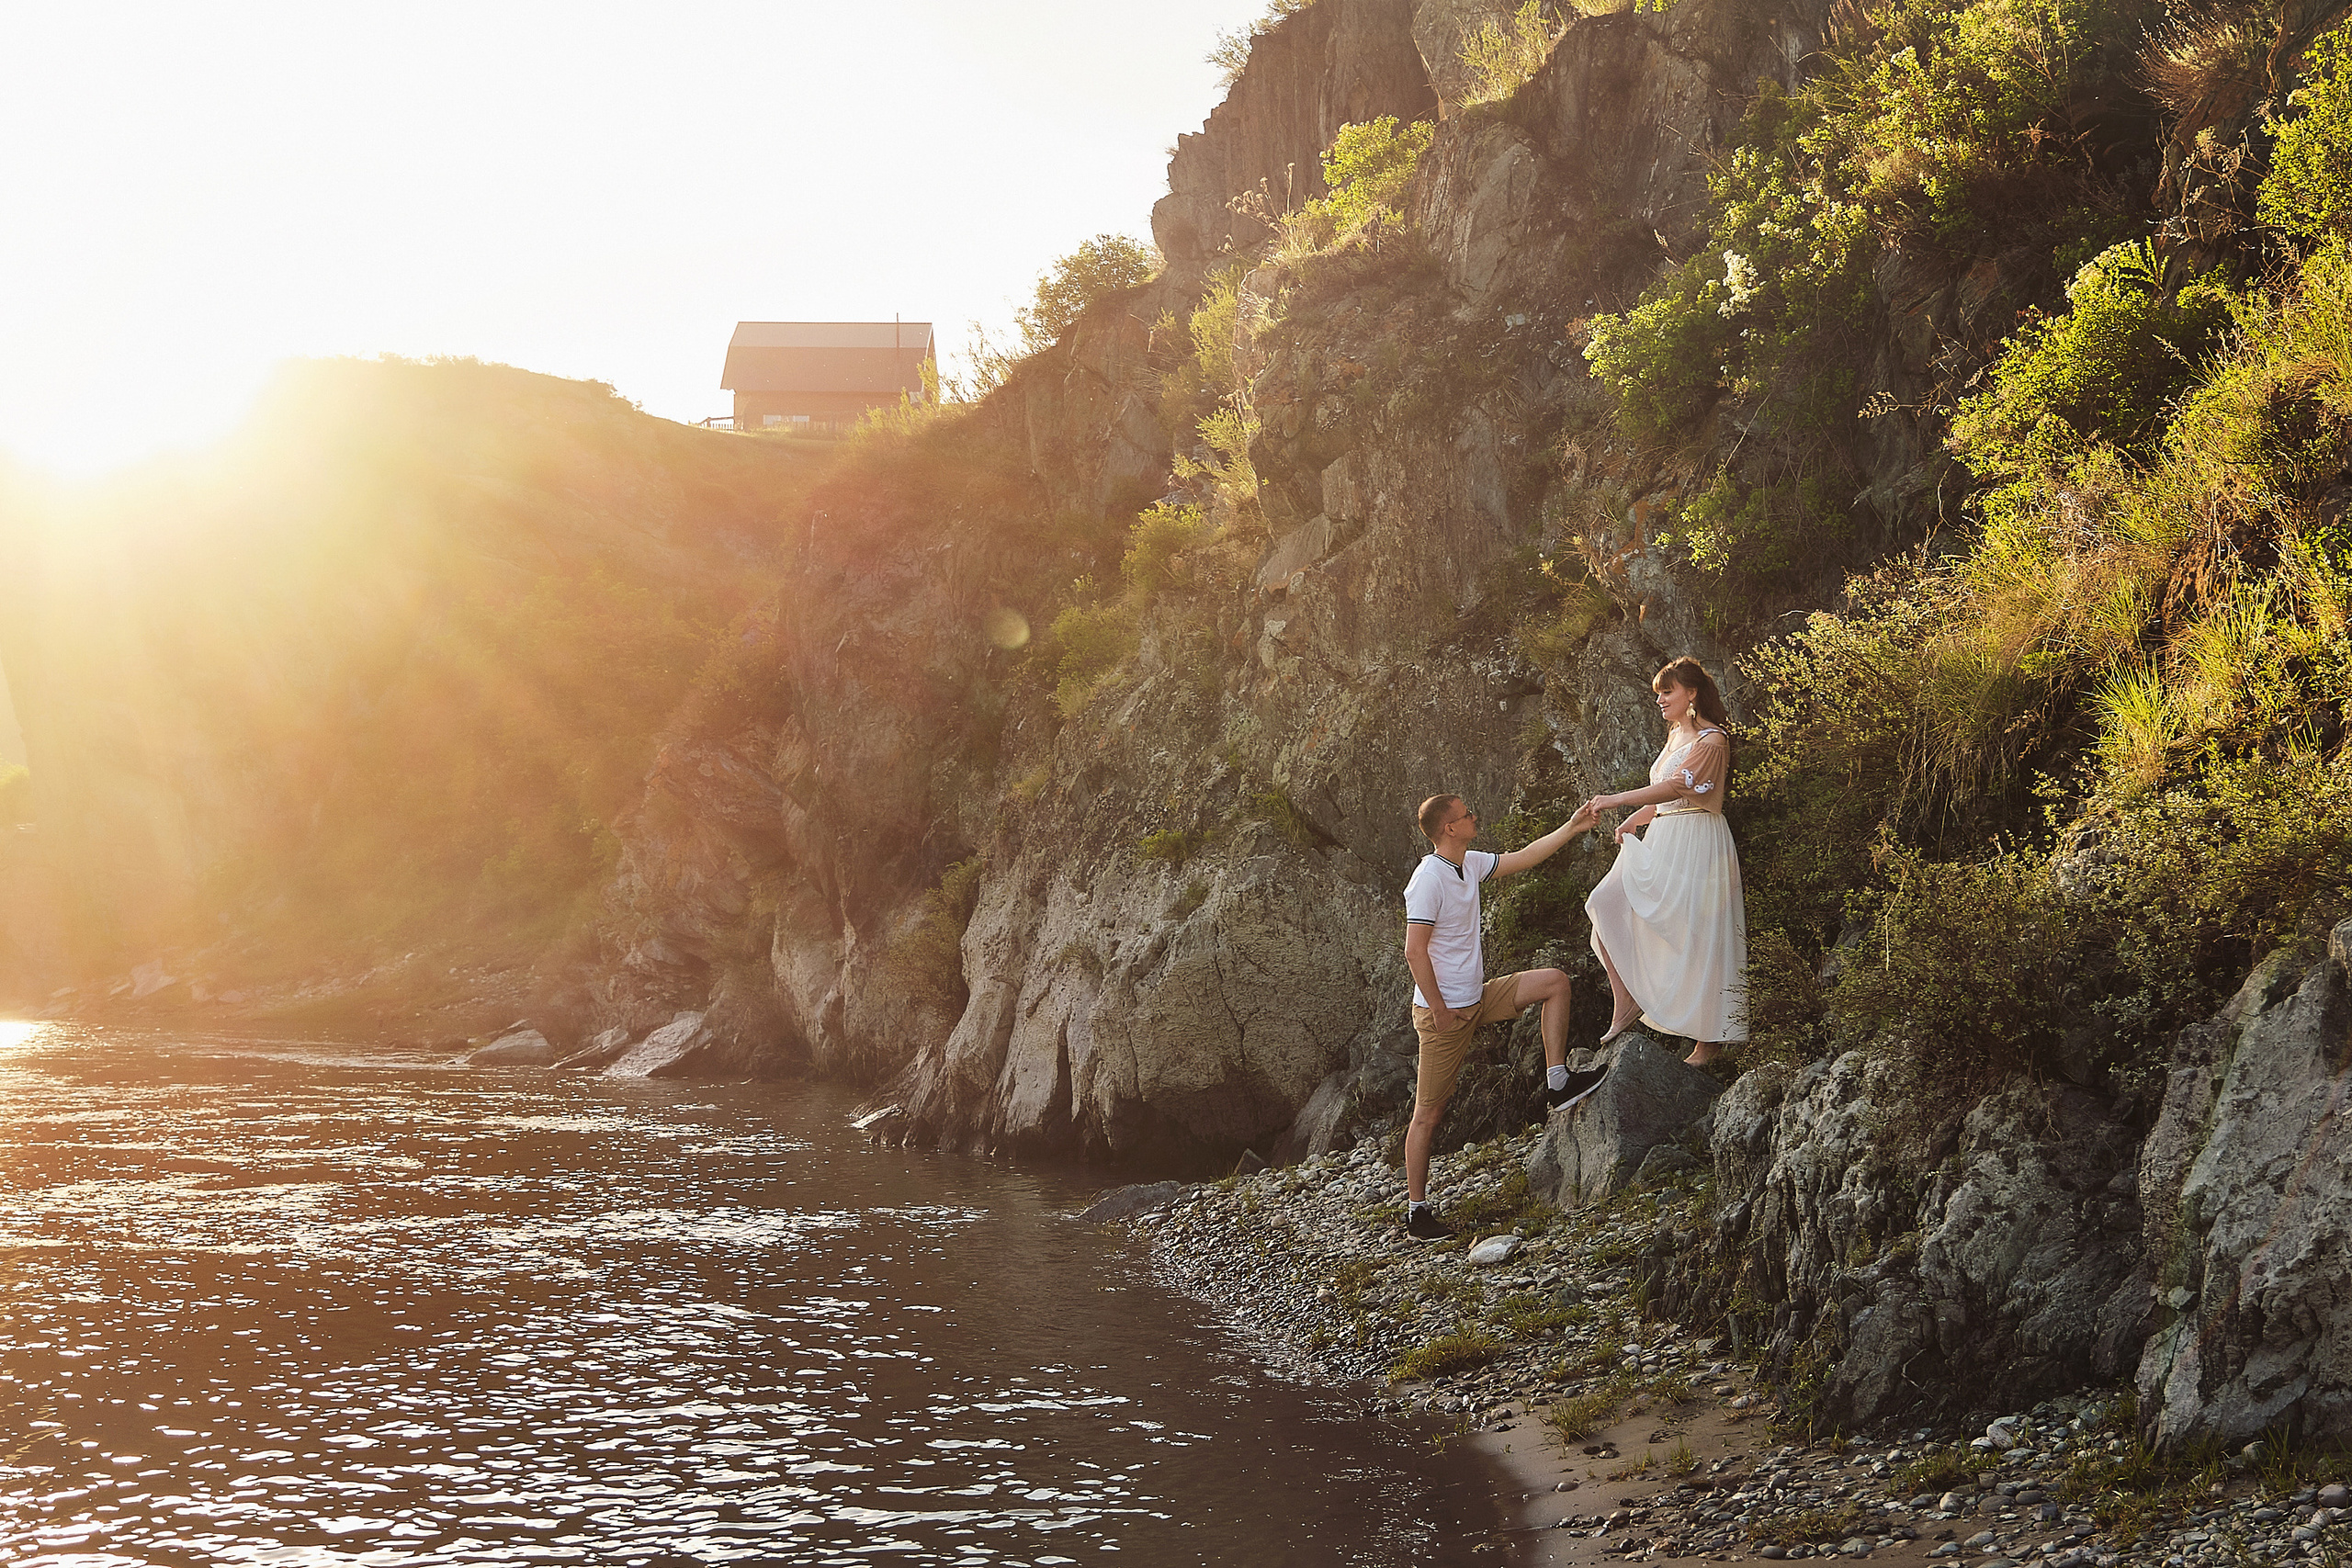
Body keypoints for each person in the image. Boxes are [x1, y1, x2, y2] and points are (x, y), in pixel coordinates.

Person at [1400, 794, 1610, 1241]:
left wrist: (1572, 826)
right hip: (1444, 1014)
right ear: (1449, 829)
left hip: (1479, 997)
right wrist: (1438, 1010)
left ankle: (1558, 1082)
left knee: (1555, 982)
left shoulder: (1469, 863)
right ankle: (1417, 1213)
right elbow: (1414, 950)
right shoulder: (1428, 879)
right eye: (1466, 813)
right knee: (1428, 1115)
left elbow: (1526, 856)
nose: (1475, 815)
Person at [1582, 657, 1749, 1066]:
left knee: (1697, 931)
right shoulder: (1676, 735)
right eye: (1658, 692)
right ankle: (1627, 1002)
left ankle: (1707, 1041)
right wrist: (1634, 820)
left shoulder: (1713, 740)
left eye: (1667, 691)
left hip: (1698, 839)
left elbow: (1680, 786)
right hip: (1665, 835)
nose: (1659, 699)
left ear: (1691, 694)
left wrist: (1617, 799)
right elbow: (1667, 797)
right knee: (1605, 902)